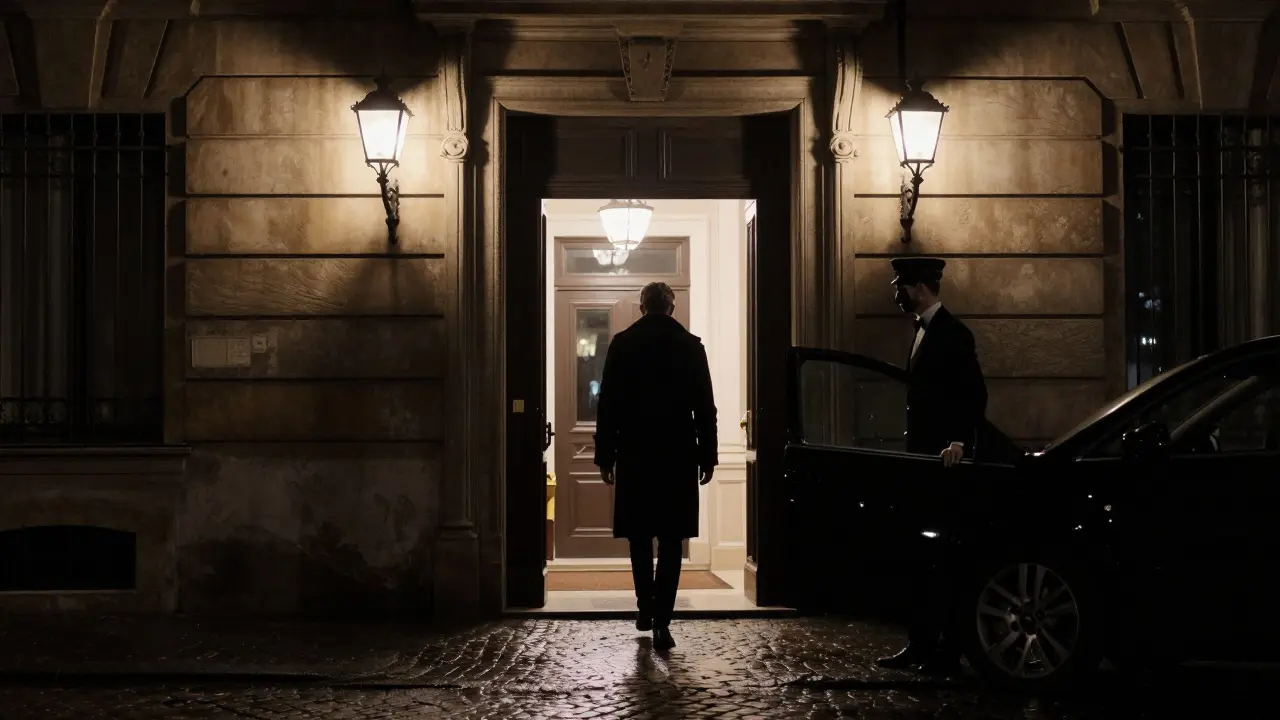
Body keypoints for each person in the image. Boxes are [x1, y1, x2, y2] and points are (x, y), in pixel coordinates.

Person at [876, 256, 988, 674]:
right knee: (921, 557)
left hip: (943, 464)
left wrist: (957, 440)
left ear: (919, 288)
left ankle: (946, 649)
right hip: (922, 460)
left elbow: (972, 395)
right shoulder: (922, 332)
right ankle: (921, 644)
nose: (896, 293)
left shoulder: (954, 335)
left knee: (944, 559)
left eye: (900, 286)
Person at [593, 282, 718, 651]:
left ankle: (644, 606)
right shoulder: (690, 346)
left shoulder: (622, 344)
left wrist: (606, 455)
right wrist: (707, 456)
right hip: (677, 454)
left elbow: (608, 406)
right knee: (671, 540)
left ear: (642, 307)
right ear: (672, 307)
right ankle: (663, 620)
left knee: (639, 536)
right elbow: (704, 408)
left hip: (635, 452)